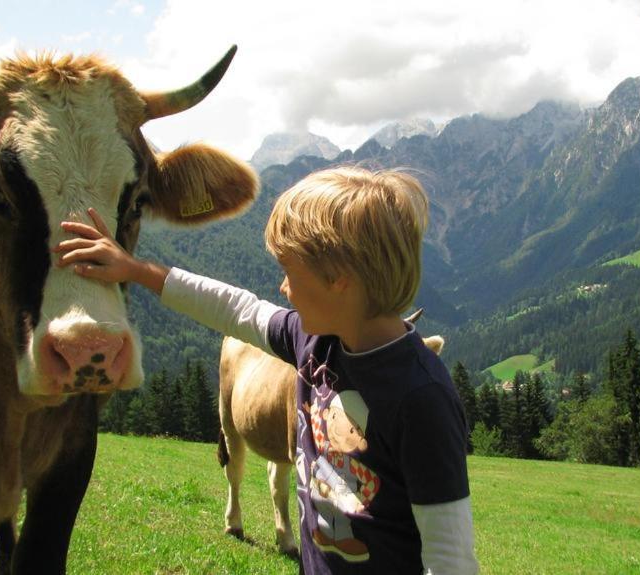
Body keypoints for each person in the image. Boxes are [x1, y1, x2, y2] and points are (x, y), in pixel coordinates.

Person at [54, 167, 479, 574]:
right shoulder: (316, 342)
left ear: (340, 278)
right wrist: (135, 269)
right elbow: (237, 309)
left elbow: (450, 559)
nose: (282, 288)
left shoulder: (421, 398)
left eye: (289, 271)